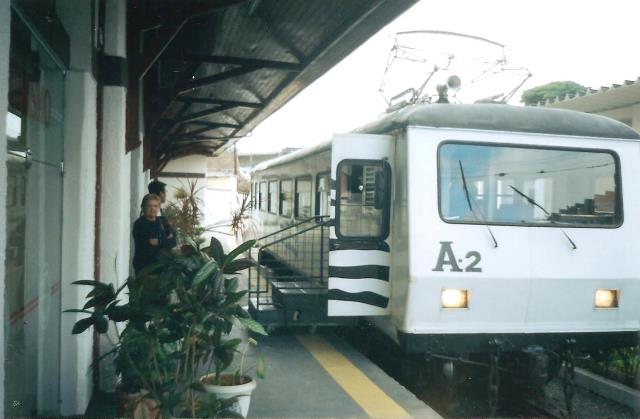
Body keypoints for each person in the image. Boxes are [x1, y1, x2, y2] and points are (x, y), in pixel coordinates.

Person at [132, 193, 176, 273]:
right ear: (143, 207)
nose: (153, 209)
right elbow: (149, 246)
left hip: (163, 270)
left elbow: (173, 242)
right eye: (149, 206)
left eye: (155, 206)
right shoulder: (140, 224)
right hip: (145, 270)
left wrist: (159, 241)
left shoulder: (163, 221)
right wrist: (165, 240)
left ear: (158, 208)